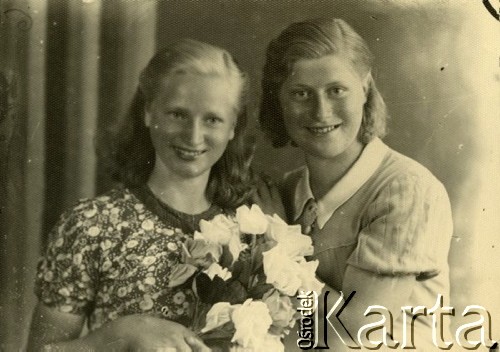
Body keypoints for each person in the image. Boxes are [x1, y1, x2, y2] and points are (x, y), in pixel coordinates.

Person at [28, 38, 256, 351]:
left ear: (232, 128)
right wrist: (122, 333)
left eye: (212, 119)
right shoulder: (93, 225)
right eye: (177, 114)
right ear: (149, 112)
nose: (193, 136)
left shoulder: (253, 229)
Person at [259, 18, 453, 350]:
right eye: (301, 93)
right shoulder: (287, 192)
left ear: (364, 88)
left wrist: (275, 250)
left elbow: (356, 332)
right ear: (279, 101)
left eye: (336, 90)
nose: (320, 111)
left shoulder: (406, 189)